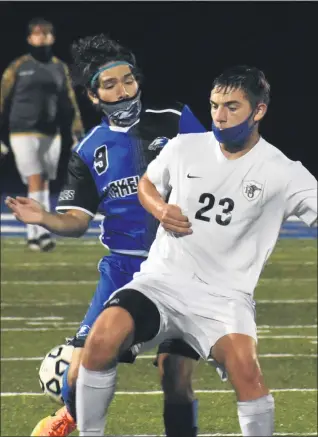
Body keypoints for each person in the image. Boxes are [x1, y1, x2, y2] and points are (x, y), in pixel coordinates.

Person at [59, 65, 317, 436]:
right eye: (214, 106)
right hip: (162, 282)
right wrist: (160, 208)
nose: (219, 116)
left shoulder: (284, 172)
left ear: (258, 111)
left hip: (223, 298)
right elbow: (148, 182)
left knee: (246, 372)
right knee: (101, 339)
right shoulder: (185, 147)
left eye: (231, 107)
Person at [6, 34, 207, 437]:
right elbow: (77, 221)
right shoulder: (89, 149)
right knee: (79, 373)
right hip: (122, 270)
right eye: (110, 84)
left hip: (181, 267)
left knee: (176, 380)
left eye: (128, 80)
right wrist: (45, 217)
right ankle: (70, 416)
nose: (123, 90)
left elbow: (218, 174)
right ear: (93, 95)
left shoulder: (175, 120)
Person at [0, 17, 84, 251]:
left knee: (43, 184)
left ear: (52, 38)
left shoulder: (59, 67)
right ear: (29, 38)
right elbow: (2, 99)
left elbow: (69, 102)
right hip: (22, 131)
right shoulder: (18, 66)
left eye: (46, 33)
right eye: (37, 34)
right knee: (36, 179)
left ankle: (39, 234)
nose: (41, 37)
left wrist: (77, 131)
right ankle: (36, 234)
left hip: (51, 133)